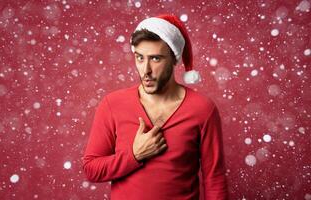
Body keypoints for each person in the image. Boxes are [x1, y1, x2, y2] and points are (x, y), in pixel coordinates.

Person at [82, 14, 229, 200]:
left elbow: (214, 179)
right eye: (140, 58)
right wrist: (134, 156)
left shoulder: (203, 109)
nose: (146, 70)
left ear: (174, 59)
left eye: (156, 59)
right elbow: (91, 169)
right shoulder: (112, 104)